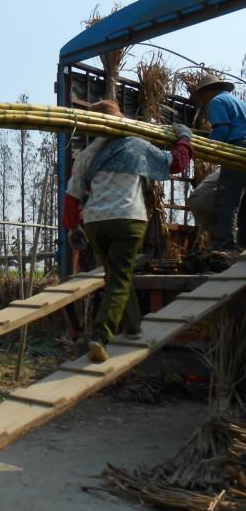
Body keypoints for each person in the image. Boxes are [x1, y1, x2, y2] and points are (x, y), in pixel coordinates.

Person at [62, 100, 193, 363]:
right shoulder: (136, 145)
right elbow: (176, 163)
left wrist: (73, 227)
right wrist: (184, 137)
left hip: (96, 223)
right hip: (127, 220)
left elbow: (71, 196)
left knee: (116, 275)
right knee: (120, 278)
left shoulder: (87, 154)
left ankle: (133, 328)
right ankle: (100, 336)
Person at [191, 73, 246, 251]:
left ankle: (225, 244)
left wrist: (207, 148)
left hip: (237, 150)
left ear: (207, 92)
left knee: (227, 198)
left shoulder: (216, 102)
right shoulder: (238, 102)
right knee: (244, 202)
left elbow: (222, 130)